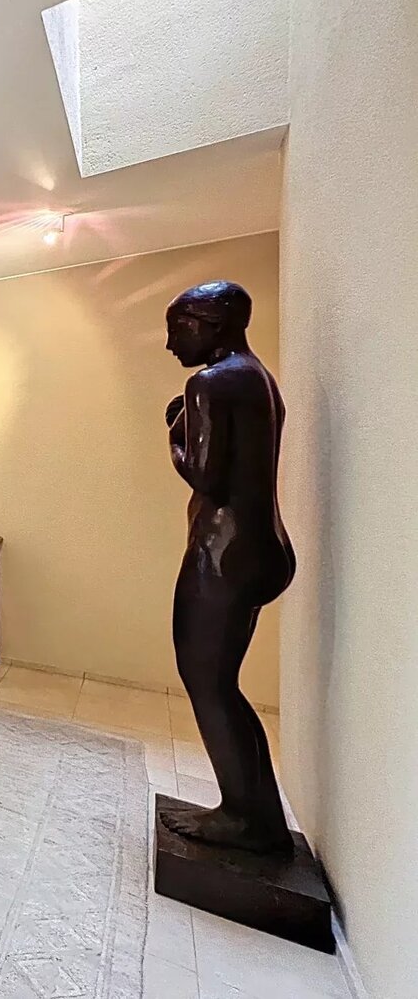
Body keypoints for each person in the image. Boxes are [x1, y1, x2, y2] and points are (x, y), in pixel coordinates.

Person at [160, 280, 296, 855]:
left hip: (225, 552)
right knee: (221, 685)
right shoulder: (259, 378)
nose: (171, 344)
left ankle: (245, 819)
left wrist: (175, 434)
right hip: (262, 545)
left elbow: (205, 474)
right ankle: (254, 811)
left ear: (212, 324)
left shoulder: (211, 382)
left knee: (208, 684)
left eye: (178, 329)